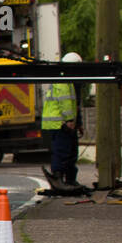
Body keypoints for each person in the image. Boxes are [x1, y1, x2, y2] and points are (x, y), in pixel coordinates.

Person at [42, 52, 82, 185]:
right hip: (59, 122)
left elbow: (72, 104)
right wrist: (69, 120)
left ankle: (68, 179)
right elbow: (65, 103)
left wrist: (77, 122)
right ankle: (58, 178)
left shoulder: (66, 79)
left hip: (60, 122)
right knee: (62, 151)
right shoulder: (63, 80)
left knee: (68, 151)